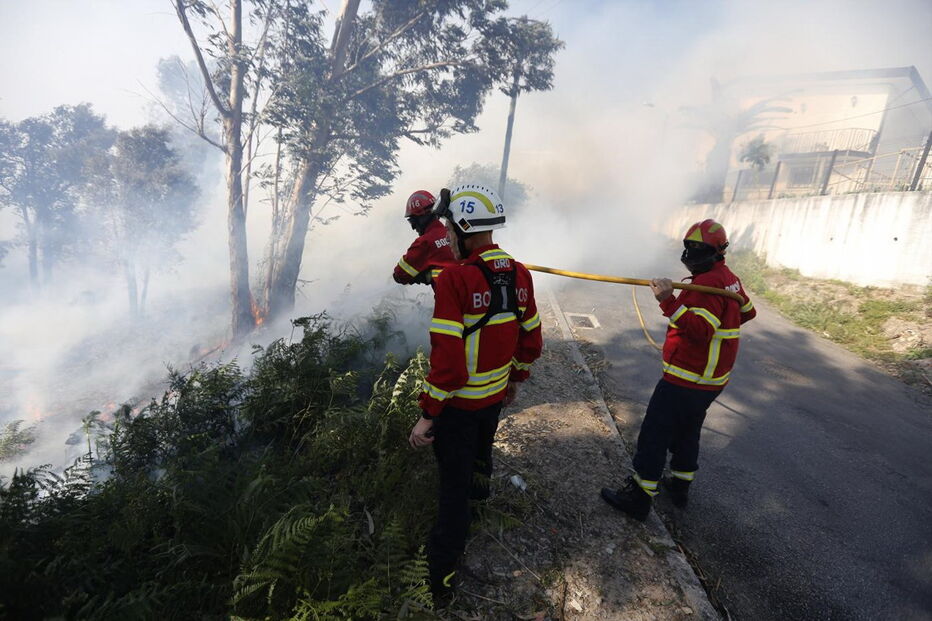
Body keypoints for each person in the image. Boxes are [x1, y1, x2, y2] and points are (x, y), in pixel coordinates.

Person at [408, 184, 543, 602]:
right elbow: (531, 341)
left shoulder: (456, 280)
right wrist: (514, 381)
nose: (446, 233)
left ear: (465, 228)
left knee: (451, 492)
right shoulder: (520, 274)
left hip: (458, 407)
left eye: (450, 226)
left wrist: (427, 414)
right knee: (482, 461)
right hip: (493, 400)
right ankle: (480, 510)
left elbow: (447, 363)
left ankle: (441, 581)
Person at [601, 219, 756, 521]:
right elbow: (748, 311)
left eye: (698, 248)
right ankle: (681, 484)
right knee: (687, 429)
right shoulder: (727, 278)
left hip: (688, 378)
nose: (692, 253)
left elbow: (699, 330)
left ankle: (639, 496)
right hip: (711, 380)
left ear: (718, 251)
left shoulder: (707, 286)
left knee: (655, 433)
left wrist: (667, 300)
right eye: (689, 247)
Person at [393, 190, 455, 286]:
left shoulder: (423, 243)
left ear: (421, 218)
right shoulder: (454, 233)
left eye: (412, 221)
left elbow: (399, 275)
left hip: (447, 298)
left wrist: (425, 276)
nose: (413, 227)